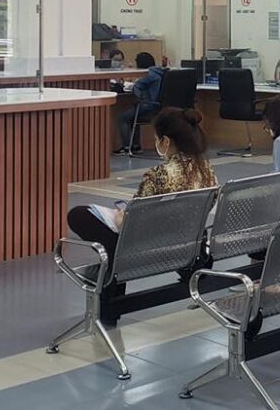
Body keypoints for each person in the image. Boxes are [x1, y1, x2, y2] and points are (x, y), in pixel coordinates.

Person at [67, 108, 217, 321]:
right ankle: (108, 272)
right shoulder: (207, 171)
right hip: (192, 247)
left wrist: (120, 216)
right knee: (113, 242)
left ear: (166, 141)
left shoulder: (158, 176)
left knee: (80, 215)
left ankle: (109, 278)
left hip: (148, 249)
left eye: (156, 138)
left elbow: (130, 223)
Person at [117, 52, 166, 153]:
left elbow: (137, 87)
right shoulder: (160, 72)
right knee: (134, 117)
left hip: (149, 105)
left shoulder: (148, 74)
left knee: (123, 118)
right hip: (160, 107)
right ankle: (136, 146)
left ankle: (126, 147)